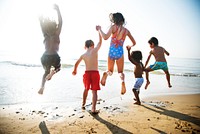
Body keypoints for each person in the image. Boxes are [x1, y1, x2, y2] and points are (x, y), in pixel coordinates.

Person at [96, 12, 136, 95]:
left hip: (112, 51)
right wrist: (130, 46)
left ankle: (106, 74)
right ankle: (122, 82)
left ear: (114, 20)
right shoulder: (126, 31)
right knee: (120, 72)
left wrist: (100, 29)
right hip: (120, 52)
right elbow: (134, 42)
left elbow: (105, 37)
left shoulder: (113, 27)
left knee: (110, 70)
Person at [72, 27, 102, 114]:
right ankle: (93, 109)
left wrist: (75, 70)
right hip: (95, 73)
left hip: (87, 73)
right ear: (92, 45)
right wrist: (99, 32)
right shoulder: (95, 50)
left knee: (86, 88)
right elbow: (100, 42)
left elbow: (76, 63)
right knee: (94, 91)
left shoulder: (83, 54)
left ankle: (83, 103)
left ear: (85, 46)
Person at [38, 4, 62, 95]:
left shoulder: (45, 34)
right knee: (58, 67)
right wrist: (58, 10)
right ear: (54, 26)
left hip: (45, 57)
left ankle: (42, 87)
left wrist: (41, 17)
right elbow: (61, 22)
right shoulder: (56, 34)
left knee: (45, 72)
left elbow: (40, 22)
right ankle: (54, 71)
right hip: (54, 56)